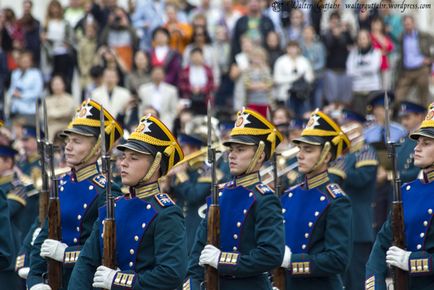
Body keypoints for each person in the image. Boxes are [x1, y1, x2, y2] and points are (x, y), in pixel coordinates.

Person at [68, 113, 187, 290]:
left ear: (156, 164)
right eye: (124, 157)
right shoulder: (113, 206)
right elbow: (86, 262)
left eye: (134, 158)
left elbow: (170, 274)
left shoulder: (166, 213)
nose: (123, 163)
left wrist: (119, 280)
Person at [27, 99, 123, 290]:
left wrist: (66, 254)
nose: (68, 147)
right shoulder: (61, 185)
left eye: (77, 141)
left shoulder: (107, 191)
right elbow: (44, 237)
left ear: (97, 148)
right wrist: (35, 280)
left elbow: (104, 251)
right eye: (68, 140)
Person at [185, 107, 285, 289]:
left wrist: (222, 260)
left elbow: (271, 254)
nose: (231, 155)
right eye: (231, 149)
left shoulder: (264, 198)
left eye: (240, 149)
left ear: (259, 155)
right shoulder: (221, 193)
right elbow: (199, 247)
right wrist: (192, 282)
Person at [279, 109, 353, 289]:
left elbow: (338, 259)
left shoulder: (335, 200)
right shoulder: (290, 194)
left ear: (326, 156)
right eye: (300, 149)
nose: (300, 155)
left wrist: (292, 261)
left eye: (308, 150)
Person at [365, 102, 434, 290]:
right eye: (418, 142)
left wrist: (413, 261)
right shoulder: (407, 191)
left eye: (426, 143)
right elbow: (381, 245)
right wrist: (376, 285)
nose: (417, 149)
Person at [329, 109, 379, 290]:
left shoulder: (366, 150)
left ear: (361, 126)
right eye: (344, 124)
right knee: (342, 279)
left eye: (351, 124)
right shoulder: (344, 155)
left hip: (358, 223)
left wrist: (341, 169)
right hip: (342, 224)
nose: (346, 128)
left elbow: (361, 179)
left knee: (358, 279)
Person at [397, 101, 426, 183]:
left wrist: (395, 176)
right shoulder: (402, 140)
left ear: (419, 117)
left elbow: (420, 170)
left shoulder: (425, 140)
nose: (404, 122)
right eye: (402, 118)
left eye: (407, 118)